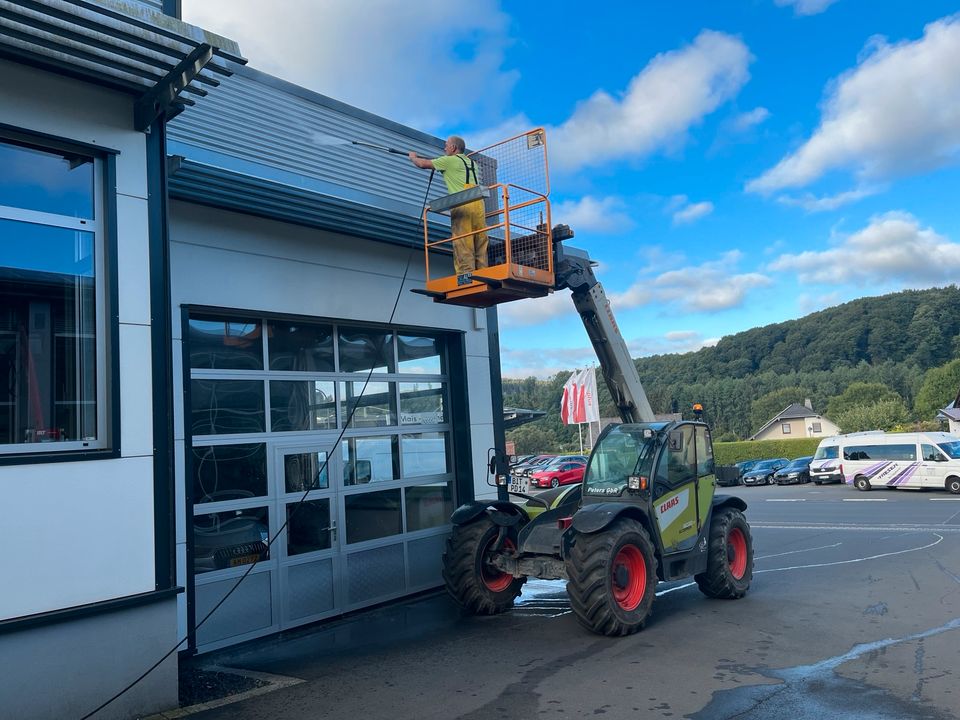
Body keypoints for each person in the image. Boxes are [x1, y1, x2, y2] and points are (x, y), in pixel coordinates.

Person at [409, 136, 488, 279]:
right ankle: (483, 273)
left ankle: (466, 276)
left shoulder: (449, 160)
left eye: (446, 146)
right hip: (478, 202)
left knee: (463, 241)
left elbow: (422, 164)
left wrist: (413, 157)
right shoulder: (472, 163)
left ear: (453, 148)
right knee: (479, 240)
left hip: (462, 202)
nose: (444, 148)